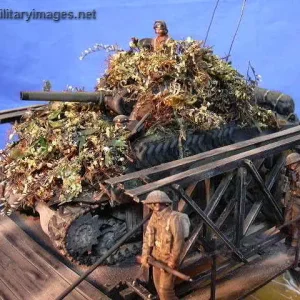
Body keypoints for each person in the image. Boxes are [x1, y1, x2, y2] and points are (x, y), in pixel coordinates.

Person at [140, 190, 190, 300]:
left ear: (166, 203)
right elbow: (148, 237)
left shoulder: (173, 218)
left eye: (160, 202)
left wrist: (173, 260)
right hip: (156, 259)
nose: (157, 205)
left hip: (168, 261)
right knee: (158, 286)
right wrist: (145, 254)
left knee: (165, 290)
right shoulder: (154, 217)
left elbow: (178, 241)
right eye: (154, 203)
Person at [284, 152, 300, 247]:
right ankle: (290, 238)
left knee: (295, 222)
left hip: (298, 200)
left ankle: (294, 243)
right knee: (288, 219)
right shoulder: (295, 172)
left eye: (291, 164)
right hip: (294, 199)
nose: (290, 167)